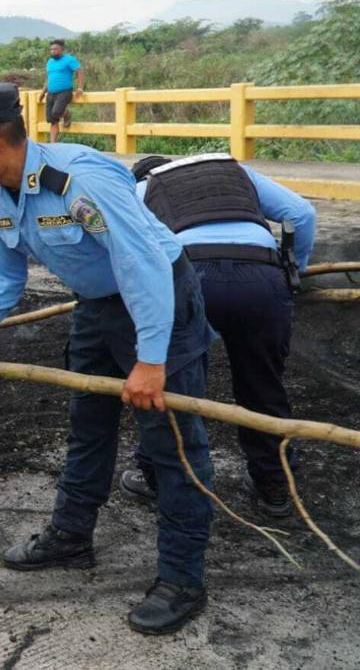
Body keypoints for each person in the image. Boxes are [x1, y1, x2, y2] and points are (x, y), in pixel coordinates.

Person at [0, 83, 215, 636]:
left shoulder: (80, 179)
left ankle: (182, 578)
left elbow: (141, 264)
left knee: (172, 442)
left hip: (158, 301)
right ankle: (72, 535)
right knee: (88, 424)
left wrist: (151, 359)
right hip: (96, 306)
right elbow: (2, 278)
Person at [125, 154, 317, 518]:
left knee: (170, 383)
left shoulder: (142, 187)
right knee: (263, 384)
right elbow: (302, 214)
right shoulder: (236, 172)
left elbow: (129, 244)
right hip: (261, 277)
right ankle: (274, 486)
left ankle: (157, 476)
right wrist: (295, 271)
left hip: (191, 275)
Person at [40, 39, 83, 143]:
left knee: (56, 112)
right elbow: (49, 78)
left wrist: (80, 87)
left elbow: (79, 72)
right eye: (51, 49)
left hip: (64, 91)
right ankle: (53, 144)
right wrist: (43, 91)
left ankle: (66, 114)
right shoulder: (50, 62)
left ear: (62, 50)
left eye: (55, 49)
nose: (53, 51)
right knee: (52, 120)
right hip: (51, 92)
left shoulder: (69, 60)